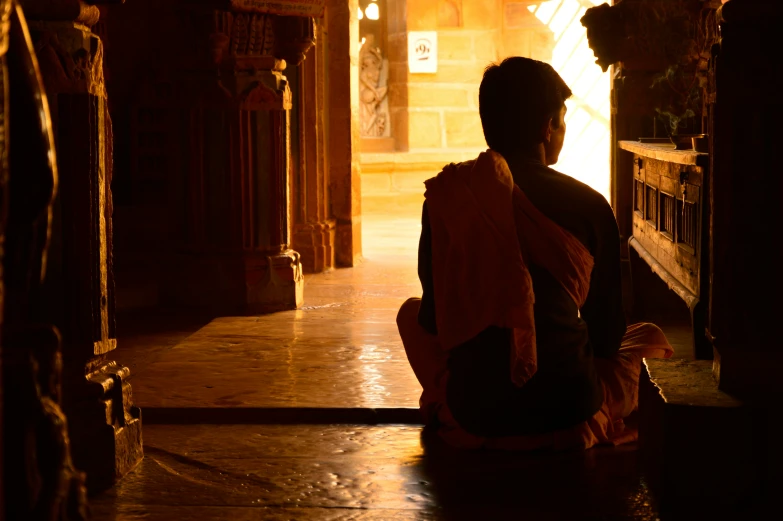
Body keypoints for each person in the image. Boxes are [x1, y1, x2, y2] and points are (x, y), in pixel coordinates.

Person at [396, 57, 673, 450]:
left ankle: (453, 407)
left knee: (408, 311)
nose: (563, 130)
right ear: (547, 127)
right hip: (571, 408)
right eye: (562, 120)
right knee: (646, 337)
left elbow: (433, 317)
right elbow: (607, 336)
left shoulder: (448, 195)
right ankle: (590, 417)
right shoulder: (589, 204)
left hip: (477, 412)